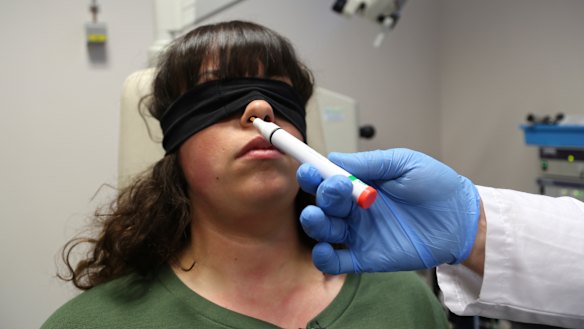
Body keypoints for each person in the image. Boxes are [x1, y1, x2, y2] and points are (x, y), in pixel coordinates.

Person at [42, 21, 449, 329]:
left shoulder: (405, 302)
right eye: (220, 94)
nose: (260, 108)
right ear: (175, 141)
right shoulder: (95, 323)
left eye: (277, 94)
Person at [296, 148, 584, 328]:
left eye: (282, 100)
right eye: (247, 92)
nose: (261, 108)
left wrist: (472, 229)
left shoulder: (406, 294)